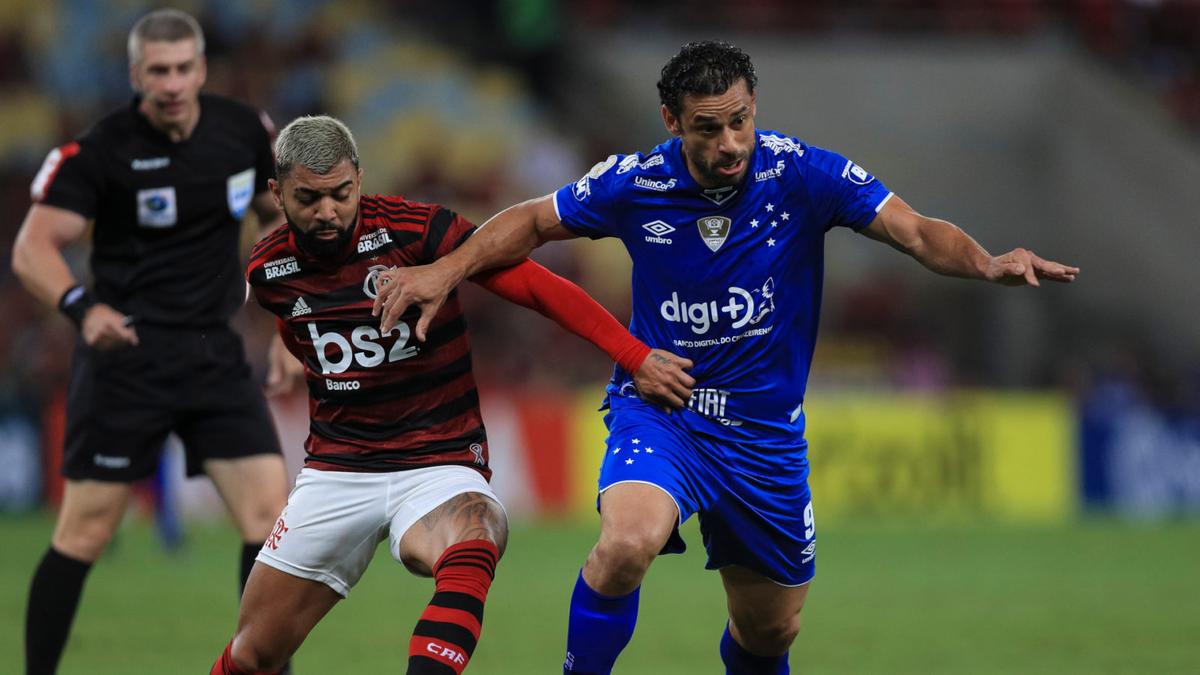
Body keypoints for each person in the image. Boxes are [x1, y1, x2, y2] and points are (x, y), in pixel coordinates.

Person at [373, 40, 1080, 675]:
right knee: (627, 544)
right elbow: (530, 220)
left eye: (740, 118)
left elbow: (916, 232)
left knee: (771, 630)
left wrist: (986, 263)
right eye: (709, 126)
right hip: (664, 413)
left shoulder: (803, 174)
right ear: (671, 120)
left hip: (765, 437)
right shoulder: (634, 182)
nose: (731, 140)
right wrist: (448, 270)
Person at [209, 114, 693, 675]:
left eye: (341, 193)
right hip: (337, 470)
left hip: (438, 460)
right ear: (277, 193)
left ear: (359, 179)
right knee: (253, 653)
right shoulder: (269, 270)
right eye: (308, 198)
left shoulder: (416, 232)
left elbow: (536, 286)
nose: (327, 211)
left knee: (479, 531)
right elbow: (299, 319)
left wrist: (632, 356)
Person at [11, 10, 294, 674]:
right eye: (157, 71)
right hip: (126, 359)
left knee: (271, 524)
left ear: (202, 70)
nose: (171, 83)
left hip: (215, 351)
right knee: (83, 532)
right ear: (137, 75)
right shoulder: (100, 150)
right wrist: (81, 307)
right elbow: (32, 248)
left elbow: (275, 220)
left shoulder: (243, 132)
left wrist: (289, 325)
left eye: (182, 68)